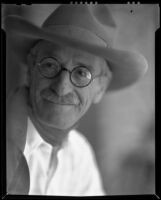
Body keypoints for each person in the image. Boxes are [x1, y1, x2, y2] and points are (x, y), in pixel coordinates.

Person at [4, 4, 148, 196]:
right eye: (49, 65)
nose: (61, 87)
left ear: (100, 88)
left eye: (82, 73)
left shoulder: (80, 153)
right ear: (31, 69)